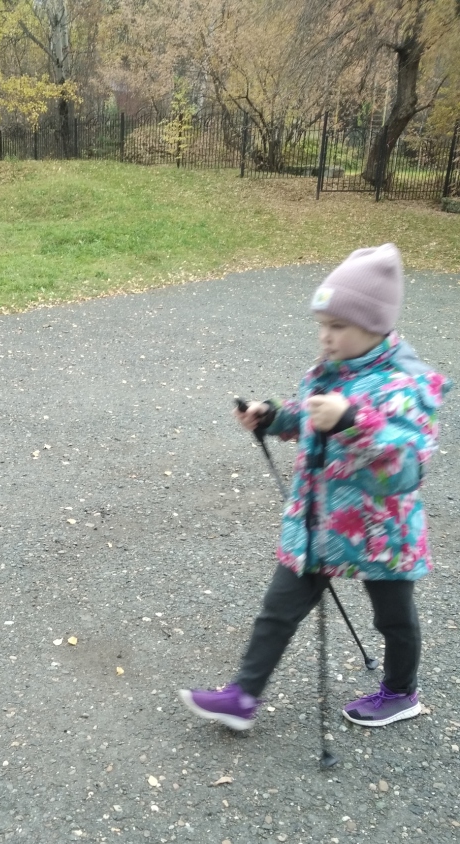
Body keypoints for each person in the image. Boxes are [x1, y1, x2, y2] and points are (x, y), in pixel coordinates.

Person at [179, 243, 450, 731]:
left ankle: (400, 692)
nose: (325, 336)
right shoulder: (327, 373)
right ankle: (242, 696)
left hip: (382, 530)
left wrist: (352, 422)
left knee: (393, 619)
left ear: (375, 325)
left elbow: (405, 462)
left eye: (338, 326)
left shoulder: (406, 384)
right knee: (277, 611)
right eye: (322, 325)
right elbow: (307, 419)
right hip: (319, 524)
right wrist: (273, 417)